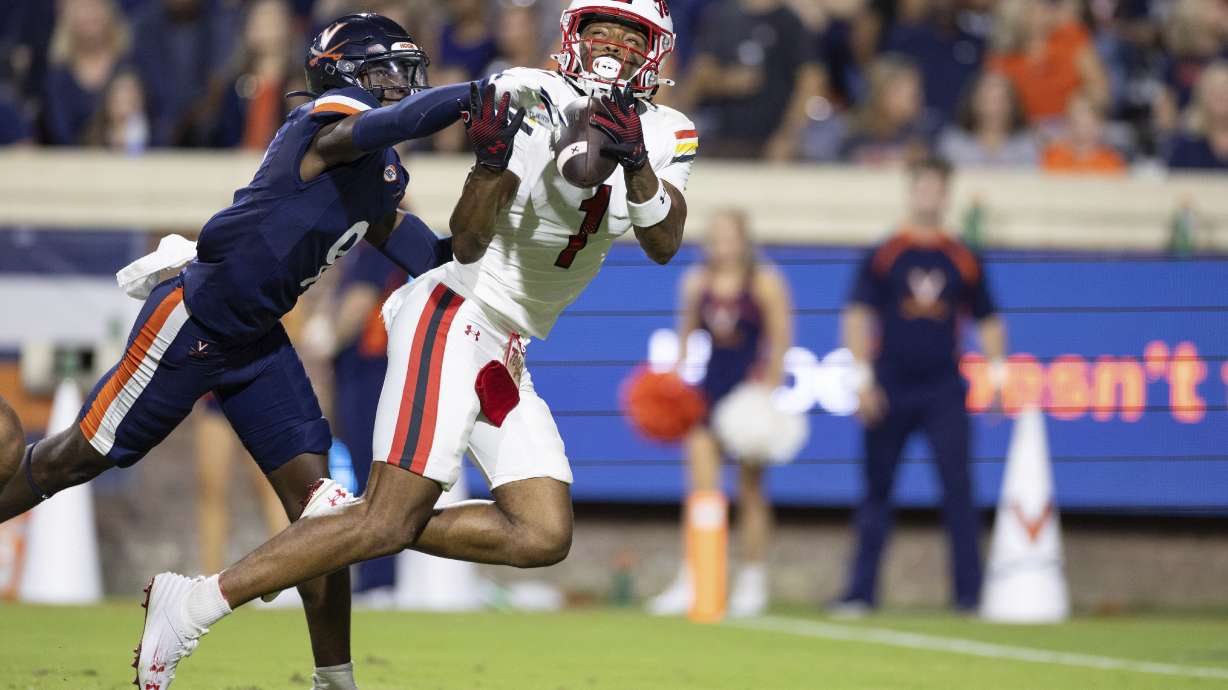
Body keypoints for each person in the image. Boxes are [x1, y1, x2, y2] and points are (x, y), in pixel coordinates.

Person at [134, 1, 695, 687]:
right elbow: (463, 242)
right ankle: (193, 603)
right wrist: (491, 165)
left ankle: (344, 522)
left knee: (541, 532)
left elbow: (664, 244)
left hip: (508, 341)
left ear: (656, 49)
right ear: (573, 36)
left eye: (629, 34)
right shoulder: (529, 93)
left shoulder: (670, 131)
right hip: (455, 309)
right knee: (385, 519)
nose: (612, 44)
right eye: (600, 29)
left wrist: (636, 164)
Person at [0, 13, 467, 690]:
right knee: (76, 456)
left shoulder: (378, 173)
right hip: (193, 321)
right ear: (343, 76)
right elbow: (387, 124)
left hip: (256, 340)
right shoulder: (323, 128)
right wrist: (482, 94)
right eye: (383, 72)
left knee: (326, 514)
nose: (400, 86)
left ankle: (335, 677)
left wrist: (502, 231)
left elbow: (432, 257)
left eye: (404, 72)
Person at [833, 156, 1007, 615]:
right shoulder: (886, 252)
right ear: (911, 191)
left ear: (946, 194)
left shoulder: (962, 256)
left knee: (959, 491)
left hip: (944, 389)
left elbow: (988, 318)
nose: (929, 195)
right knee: (876, 491)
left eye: (937, 188)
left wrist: (998, 374)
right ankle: (859, 594)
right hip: (889, 384)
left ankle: (970, 597)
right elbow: (856, 315)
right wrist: (862, 378)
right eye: (922, 187)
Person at [647, 208, 793, 618]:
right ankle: (694, 577)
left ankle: (751, 579)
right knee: (702, 493)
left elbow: (781, 341)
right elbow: (684, 341)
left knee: (750, 493)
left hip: (748, 398)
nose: (721, 244)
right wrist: (667, 388)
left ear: (745, 239)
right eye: (715, 236)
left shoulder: (764, 281)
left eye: (729, 236)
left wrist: (767, 395)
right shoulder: (697, 282)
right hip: (708, 397)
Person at [987, 0, 1109, 128]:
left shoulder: (1070, 36)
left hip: (1074, 126)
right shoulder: (1001, 60)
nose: (1046, 10)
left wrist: (1082, 115)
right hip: (1024, 132)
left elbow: (1099, 88)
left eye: (1046, 5)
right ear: (1017, 16)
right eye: (1034, 9)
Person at [42, 0, 131, 145]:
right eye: (81, 8)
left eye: (95, 6)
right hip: (70, 163)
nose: (90, 15)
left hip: (128, 161)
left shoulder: (130, 67)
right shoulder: (58, 78)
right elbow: (60, 136)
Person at [937, 71, 1040, 168]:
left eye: (1001, 101)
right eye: (986, 100)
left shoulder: (1027, 143)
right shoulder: (954, 142)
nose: (994, 109)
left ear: (1013, 105)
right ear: (973, 103)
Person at [1041, 93, 1126, 174]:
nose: (1080, 123)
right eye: (1075, 117)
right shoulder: (1053, 156)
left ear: (1100, 124)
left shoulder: (1111, 163)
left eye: (1087, 118)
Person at [1166, 60, 1228, 170]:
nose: (1221, 94)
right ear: (1202, 96)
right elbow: (1173, 181)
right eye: (1215, 90)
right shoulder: (1187, 142)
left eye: (1226, 89)